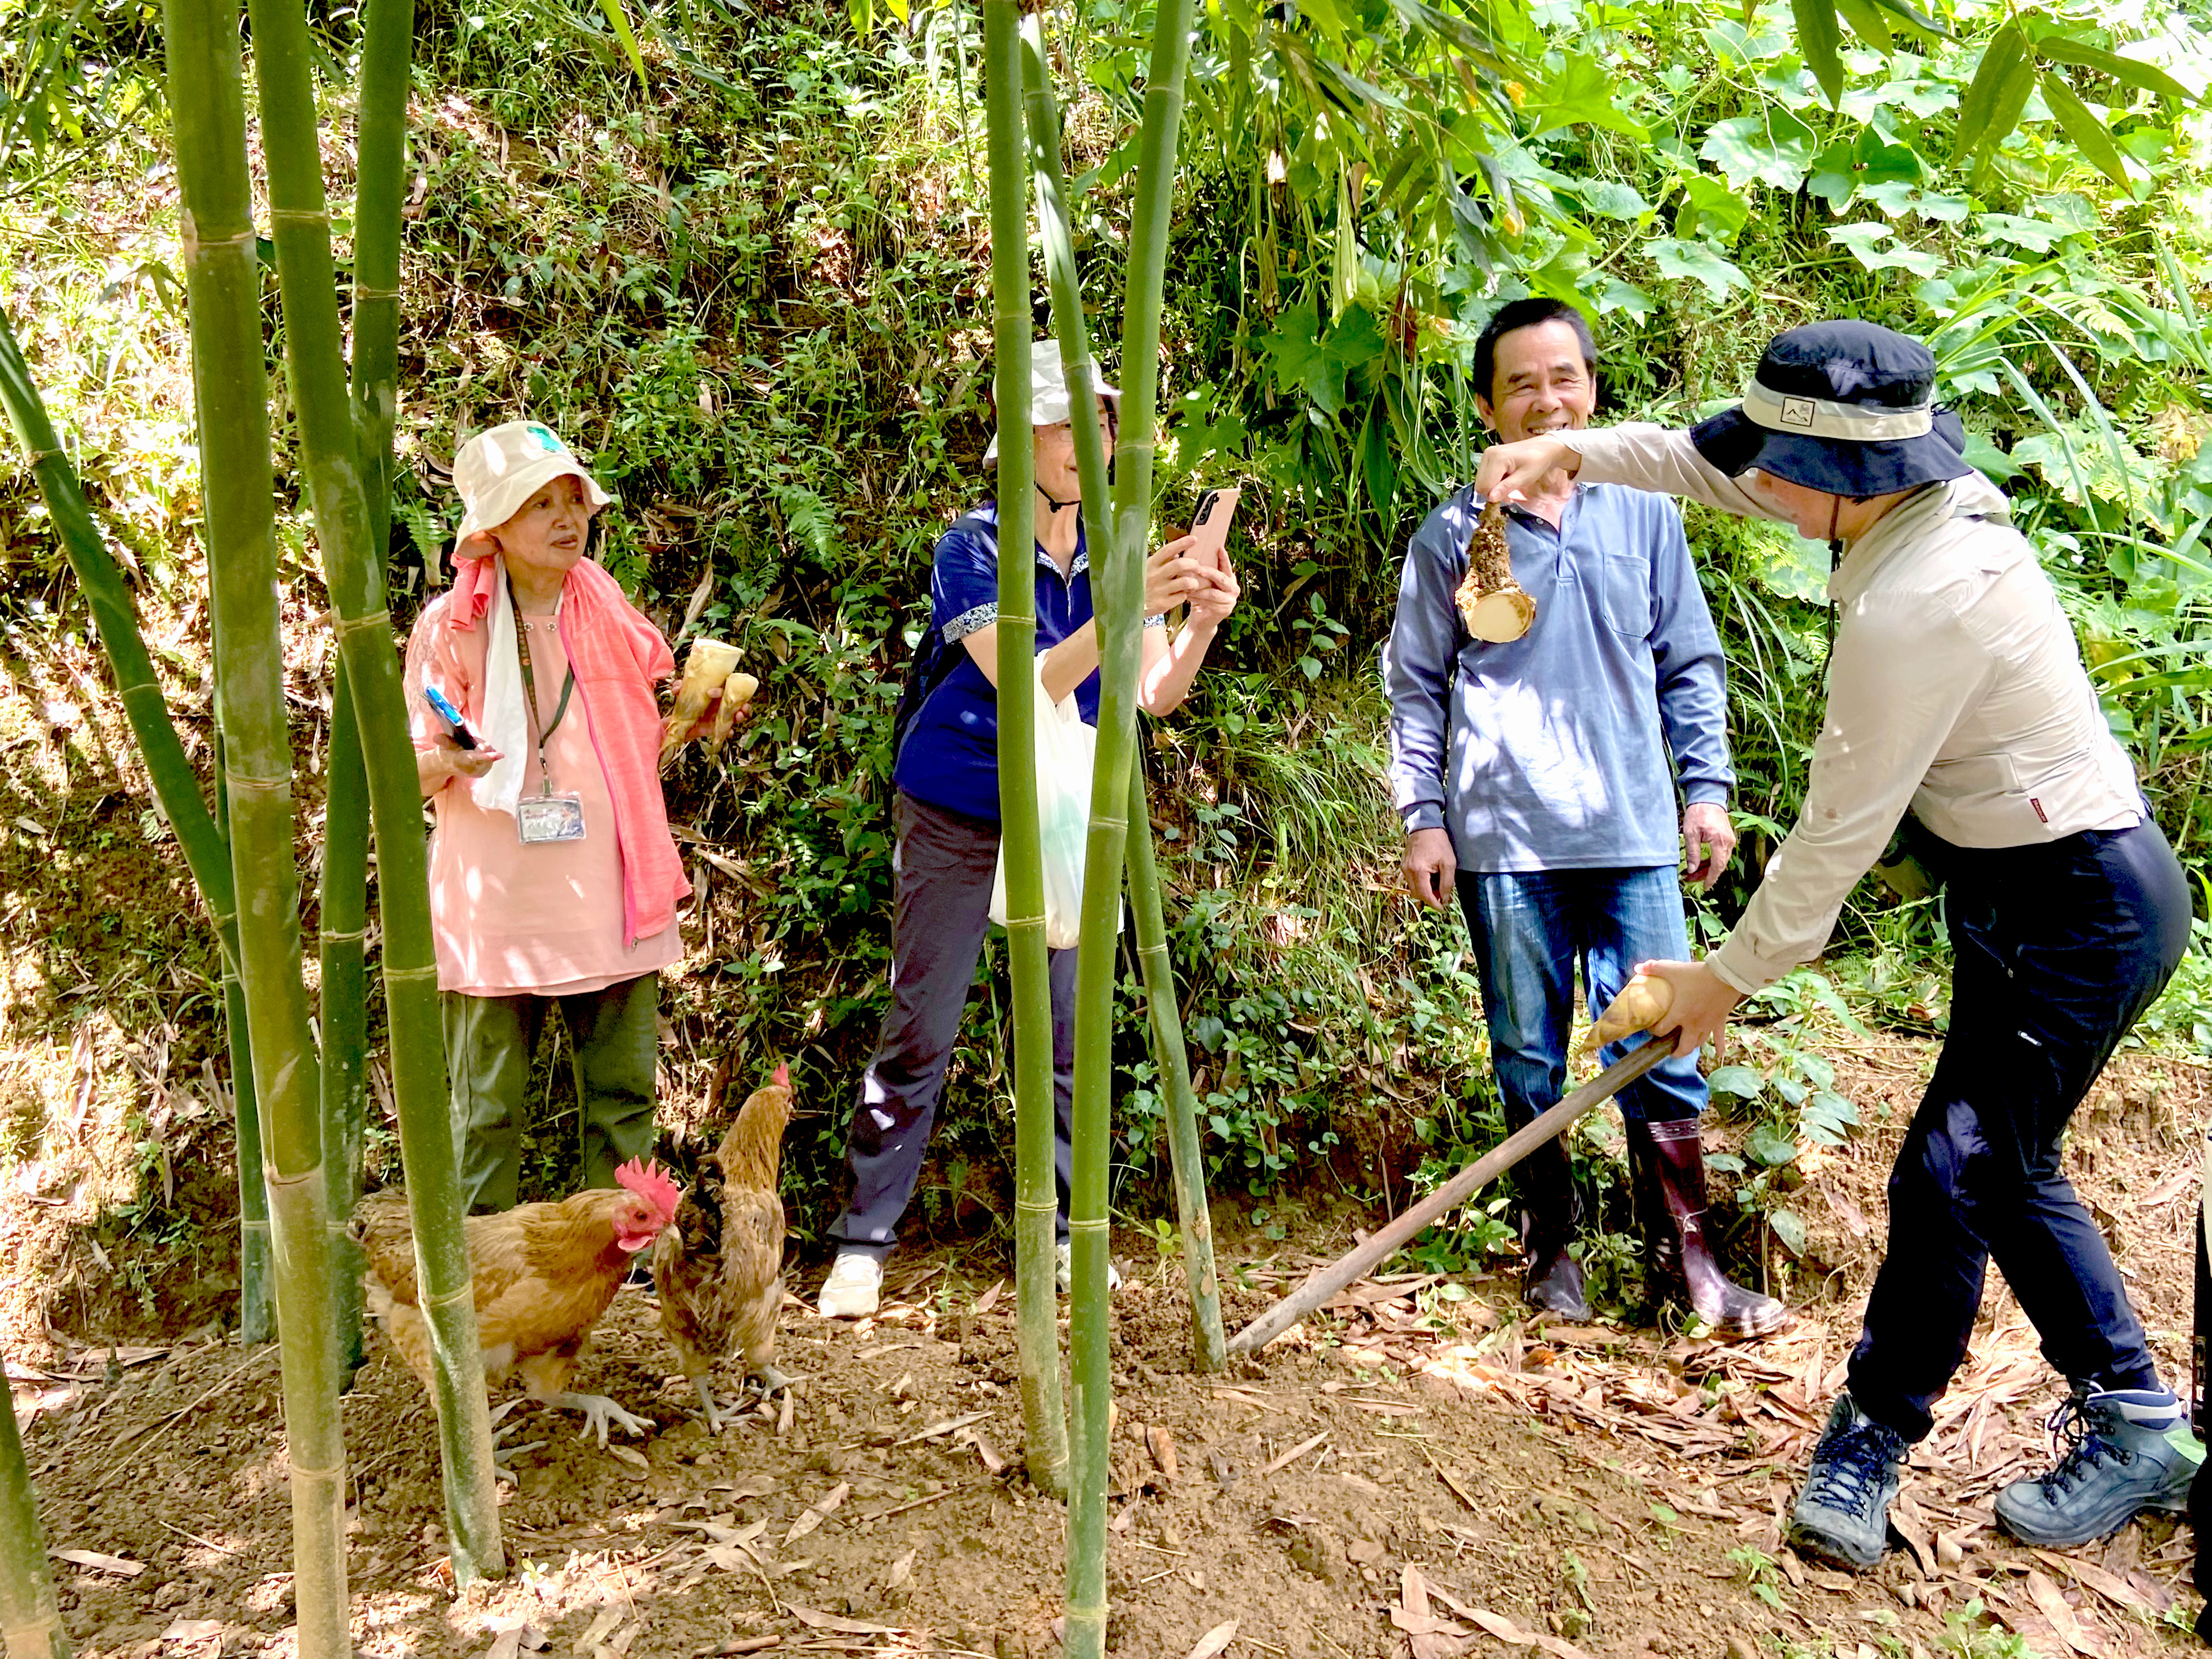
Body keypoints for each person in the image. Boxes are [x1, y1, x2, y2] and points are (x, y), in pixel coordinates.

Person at [1474, 318, 2199, 1568]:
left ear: (1844, 475)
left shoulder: (1924, 603)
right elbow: (1715, 468)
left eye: (1778, 457)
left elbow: (1832, 840)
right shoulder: (1890, 496)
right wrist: (1573, 453)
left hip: (2081, 910)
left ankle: (1872, 1435)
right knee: (2001, 1165)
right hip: (2022, 893)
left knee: (1950, 1172)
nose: (1755, 475)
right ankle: (2138, 1420)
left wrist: (1717, 982)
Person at [1386, 297, 1785, 1338]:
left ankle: (1688, 1265)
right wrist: (1423, 817)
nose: (1545, 398)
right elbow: (1418, 687)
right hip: (1504, 841)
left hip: (1634, 833)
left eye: (1563, 378)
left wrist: (1706, 791)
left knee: (1663, 1044)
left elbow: (1688, 660)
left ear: (1591, 394)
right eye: (1521, 383)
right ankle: (1551, 1252)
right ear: (1487, 406)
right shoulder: (1450, 537)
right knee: (1525, 1049)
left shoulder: (1643, 511)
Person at [817, 340, 1239, 1319]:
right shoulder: (973, 545)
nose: (1095, 439)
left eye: (1106, 421)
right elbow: (1031, 682)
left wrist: (1199, 619)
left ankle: (1054, 1234)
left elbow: (1153, 695)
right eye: (1075, 422)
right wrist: (1137, 597)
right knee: (923, 1024)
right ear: (1025, 436)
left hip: (1062, 809)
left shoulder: (1114, 549)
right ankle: (864, 1240)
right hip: (961, 803)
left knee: (1060, 1030)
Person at [405, 420, 719, 1215]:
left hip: (610, 892)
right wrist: (451, 759)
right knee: (487, 1112)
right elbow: (404, 770)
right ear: (491, 531)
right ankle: (476, 1277)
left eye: (570, 498)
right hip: (499, 907)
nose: (564, 518)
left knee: (622, 1101)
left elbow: (643, 722)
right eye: (537, 504)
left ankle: (622, 1268)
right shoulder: (451, 628)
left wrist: (698, 717)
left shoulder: (603, 603)